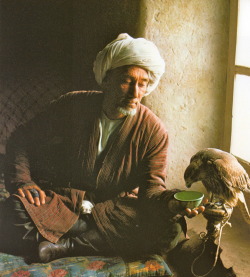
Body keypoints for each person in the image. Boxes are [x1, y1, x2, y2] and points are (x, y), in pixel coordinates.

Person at [2, 33, 205, 263]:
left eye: (143, 84)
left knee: (172, 230)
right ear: (106, 79)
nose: (135, 93)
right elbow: (23, 137)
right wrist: (24, 181)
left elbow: (151, 190)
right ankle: (92, 236)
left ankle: (66, 245)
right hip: (63, 198)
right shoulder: (73, 105)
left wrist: (171, 202)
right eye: (127, 81)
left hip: (115, 209)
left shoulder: (154, 131)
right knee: (11, 214)